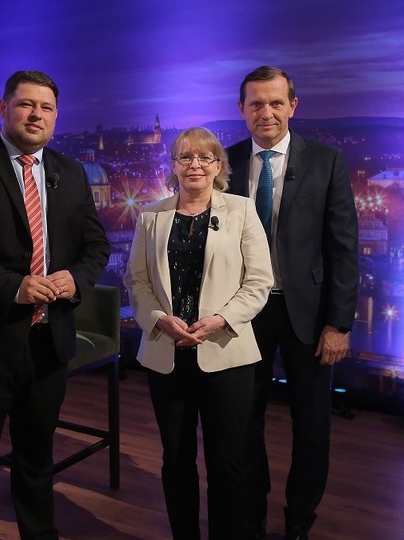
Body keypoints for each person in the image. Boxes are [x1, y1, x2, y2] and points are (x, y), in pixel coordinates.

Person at [0, 69, 110, 540]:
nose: (36, 115)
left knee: (36, 458)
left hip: (48, 341)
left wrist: (76, 279)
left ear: (56, 116)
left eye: (46, 107)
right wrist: (13, 286)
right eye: (26, 104)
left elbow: (96, 247)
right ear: (3, 108)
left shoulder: (70, 172)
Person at [226, 66, 359, 540]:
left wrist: (338, 324)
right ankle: (251, 516)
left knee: (312, 425)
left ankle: (300, 520)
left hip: (310, 314)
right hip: (244, 313)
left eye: (276, 102)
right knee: (243, 421)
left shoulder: (326, 161)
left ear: (293, 106)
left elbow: (343, 248)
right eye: (256, 103)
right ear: (242, 109)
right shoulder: (225, 162)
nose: (266, 112)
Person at [123, 127, 272, 539]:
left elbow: (259, 281)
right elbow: (137, 281)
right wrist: (158, 318)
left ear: (219, 166)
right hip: (167, 353)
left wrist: (221, 319)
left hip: (225, 352)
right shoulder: (151, 215)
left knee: (227, 464)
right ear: (173, 166)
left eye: (205, 157)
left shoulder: (241, 210)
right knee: (176, 460)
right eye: (186, 157)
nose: (195, 165)